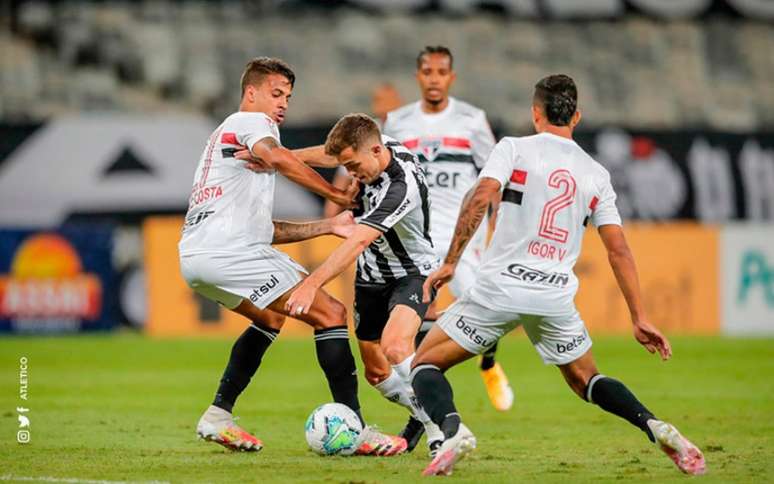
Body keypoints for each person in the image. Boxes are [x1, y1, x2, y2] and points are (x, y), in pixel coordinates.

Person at [409, 74, 706, 476]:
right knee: (587, 380)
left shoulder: (513, 148)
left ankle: (453, 429)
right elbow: (618, 249)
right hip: (553, 296)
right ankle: (654, 425)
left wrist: (451, 262)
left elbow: (480, 197)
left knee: (424, 364)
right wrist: (640, 317)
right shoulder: (595, 172)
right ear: (577, 116)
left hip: (499, 290)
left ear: (536, 114)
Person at [178, 57, 405, 456]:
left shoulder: (231, 143)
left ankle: (218, 414)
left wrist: (327, 226)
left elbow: (265, 231)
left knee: (269, 317)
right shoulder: (251, 124)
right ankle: (356, 429)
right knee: (331, 314)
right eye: (275, 93)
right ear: (251, 93)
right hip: (228, 254)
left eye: (288, 97)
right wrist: (335, 196)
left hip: (198, 257)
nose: (283, 104)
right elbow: (282, 159)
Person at [285, 113, 446, 456]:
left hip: (411, 273)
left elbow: (357, 240)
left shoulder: (401, 187)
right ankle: (421, 412)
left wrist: (311, 284)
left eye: (354, 166)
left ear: (375, 150)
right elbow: (333, 154)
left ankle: (440, 431)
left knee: (396, 345)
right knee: (376, 372)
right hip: (371, 276)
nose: (351, 175)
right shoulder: (372, 149)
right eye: (347, 166)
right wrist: (283, 158)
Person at [383, 46, 514, 421]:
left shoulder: (472, 121)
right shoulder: (397, 122)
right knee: (419, 311)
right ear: (418, 76)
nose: (434, 78)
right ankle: (425, 390)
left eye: (441, 72)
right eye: (427, 71)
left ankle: (488, 362)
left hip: (463, 239)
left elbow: (495, 180)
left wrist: (496, 230)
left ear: (451, 77)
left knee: (487, 306)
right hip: (415, 237)